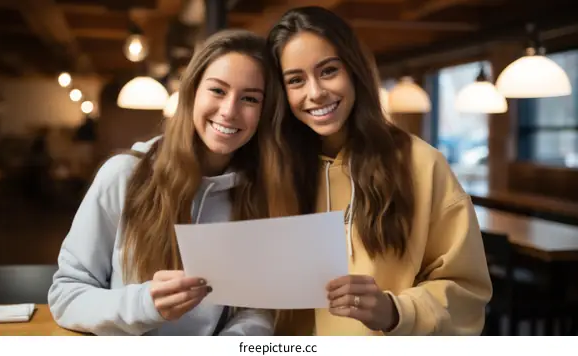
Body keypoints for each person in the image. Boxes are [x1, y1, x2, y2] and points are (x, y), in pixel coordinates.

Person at [265, 6, 493, 336]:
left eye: (328, 71)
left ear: (354, 70)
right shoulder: (271, 170)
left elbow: (466, 294)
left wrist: (394, 311)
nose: (315, 93)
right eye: (296, 80)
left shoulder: (420, 164)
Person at [48, 29, 281, 336]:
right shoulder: (123, 175)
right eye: (217, 91)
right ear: (192, 93)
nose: (229, 111)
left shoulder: (260, 195)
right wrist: (144, 305)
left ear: (264, 112)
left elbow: (256, 308)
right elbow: (66, 296)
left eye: (250, 98)